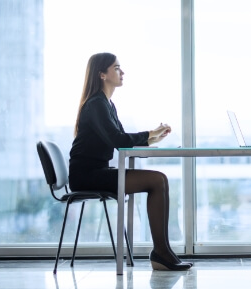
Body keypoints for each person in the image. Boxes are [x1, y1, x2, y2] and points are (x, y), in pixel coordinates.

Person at [69, 52, 191, 271]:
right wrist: (149, 133)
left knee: (159, 180)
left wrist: (154, 136)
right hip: (87, 175)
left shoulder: (106, 104)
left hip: (95, 171)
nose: (122, 72)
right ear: (102, 74)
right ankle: (162, 253)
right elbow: (118, 140)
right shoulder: (97, 104)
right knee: (157, 180)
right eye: (116, 68)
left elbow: (121, 140)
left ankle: (163, 252)